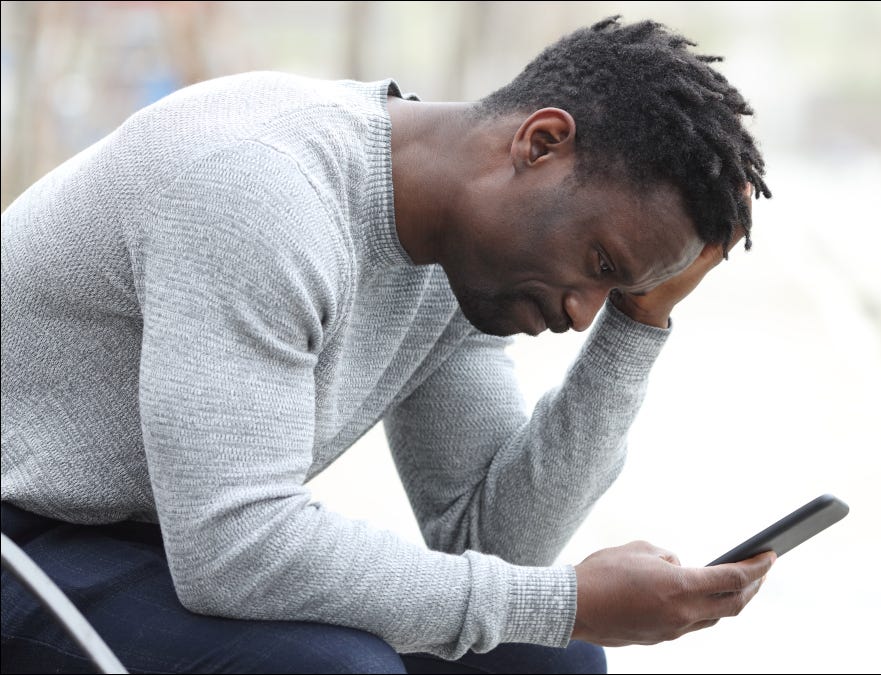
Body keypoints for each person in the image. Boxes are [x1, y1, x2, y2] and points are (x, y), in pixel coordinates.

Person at [0, 16, 773, 674]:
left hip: (152, 543)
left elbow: (492, 539)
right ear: (540, 143)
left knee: (550, 656)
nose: (580, 313)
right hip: (24, 537)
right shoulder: (259, 187)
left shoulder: (456, 258)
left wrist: (636, 326)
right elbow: (235, 548)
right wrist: (568, 600)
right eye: (599, 265)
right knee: (338, 669)